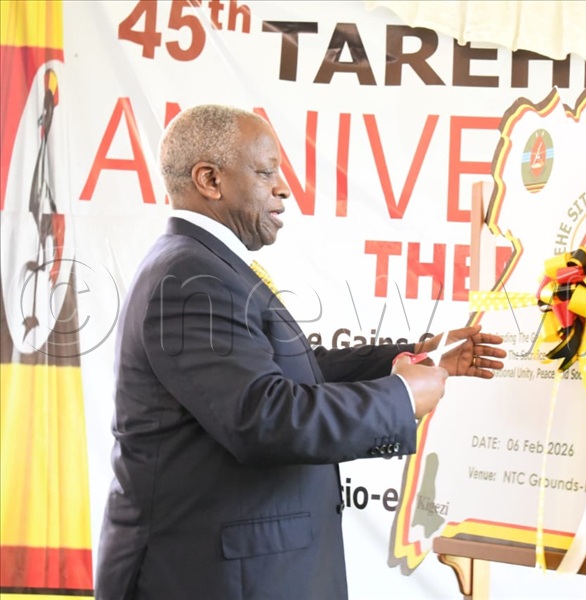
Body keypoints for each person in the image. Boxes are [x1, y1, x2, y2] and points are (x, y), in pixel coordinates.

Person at [95, 104, 506, 599]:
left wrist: (419, 355)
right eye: (267, 172)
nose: (284, 188)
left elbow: (291, 373)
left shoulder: (203, 266)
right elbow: (264, 417)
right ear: (209, 179)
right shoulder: (189, 278)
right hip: (213, 578)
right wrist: (398, 397)